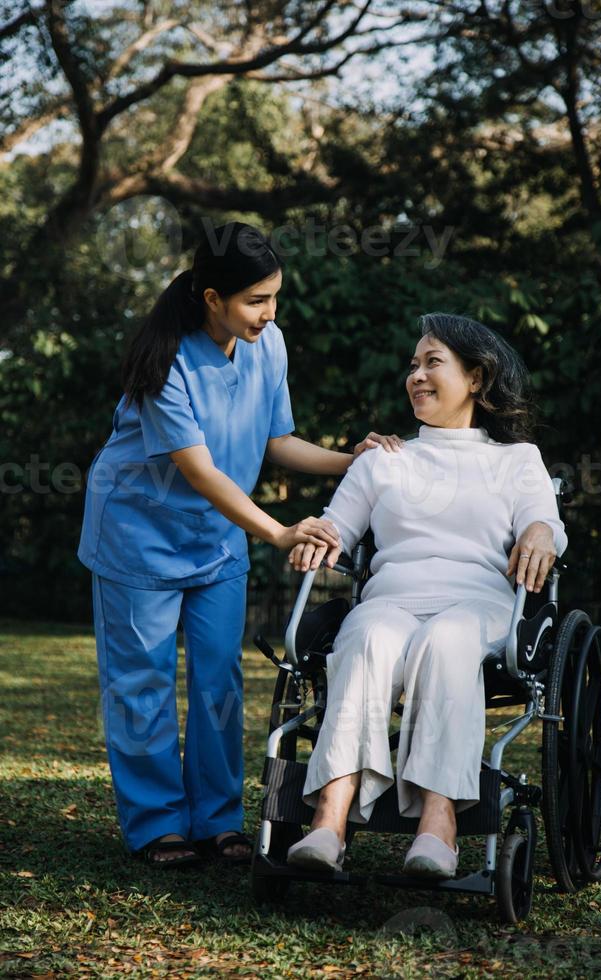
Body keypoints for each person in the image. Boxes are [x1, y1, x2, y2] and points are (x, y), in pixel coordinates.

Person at [78, 222, 402, 867]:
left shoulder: (268, 345)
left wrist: (350, 460)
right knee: (141, 681)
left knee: (219, 680)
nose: (269, 312)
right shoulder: (166, 361)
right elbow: (199, 470)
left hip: (219, 539)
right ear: (211, 297)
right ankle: (156, 825)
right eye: (255, 300)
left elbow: (275, 440)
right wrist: (279, 531)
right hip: (138, 535)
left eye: (274, 296)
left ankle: (218, 820)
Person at [285, 312, 567, 878]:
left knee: (446, 640)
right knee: (365, 636)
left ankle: (439, 825)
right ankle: (330, 820)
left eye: (432, 362)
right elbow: (336, 525)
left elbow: (545, 523)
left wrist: (541, 531)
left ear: (477, 378)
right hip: (392, 600)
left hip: (478, 606)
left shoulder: (517, 459)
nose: (416, 375)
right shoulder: (383, 461)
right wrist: (313, 538)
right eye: (412, 365)